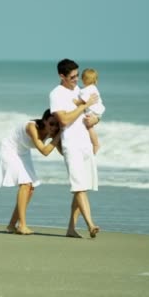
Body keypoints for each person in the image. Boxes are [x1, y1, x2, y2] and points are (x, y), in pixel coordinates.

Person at [49, 58, 101, 238]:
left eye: (77, 75)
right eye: (72, 77)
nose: (76, 79)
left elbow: (92, 112)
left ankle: (71, 229)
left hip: (85, 142)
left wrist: (96, 119)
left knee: (83, 187)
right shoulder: (56, 94)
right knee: (78, 187)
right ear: (61, 76)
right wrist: (85, 105)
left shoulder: (80, 90)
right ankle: (91, 225)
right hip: (71, 145)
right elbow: (64, 119)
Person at [0, 109, 61, 235]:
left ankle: (11, 226)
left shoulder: (53, 132)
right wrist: (58, 136)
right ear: (44, 121)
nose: (54, 127)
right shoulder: (31, 127)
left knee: (30, 188)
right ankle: (22, 225)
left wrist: (60, 137)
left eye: (57, 125)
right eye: (51, 124)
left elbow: (60, 151)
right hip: (9, 148)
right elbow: (45, 151)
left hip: (23, 151)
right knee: (25, 184)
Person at [79, 68, 105, 155]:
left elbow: (84, 101)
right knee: (90, 128)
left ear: (82, 79)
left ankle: (96, 144)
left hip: (92, 112)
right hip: (98, 112)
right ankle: (95, 144)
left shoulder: (85, 90)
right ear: (96, 80)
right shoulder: (94, 88)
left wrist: (75, 101)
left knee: (89, 127)